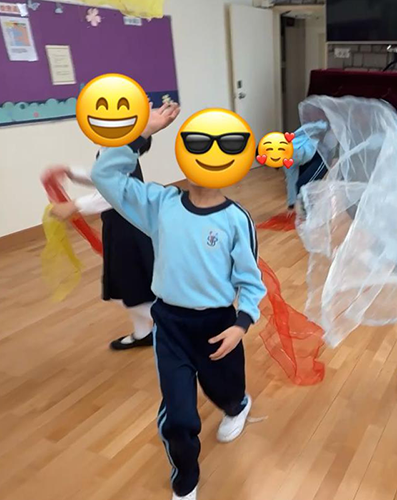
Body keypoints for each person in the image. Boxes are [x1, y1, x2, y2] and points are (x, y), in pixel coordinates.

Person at [91, 103, 266, 500]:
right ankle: (185, 481)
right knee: (179, 414)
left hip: (218, 324)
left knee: (225, 390)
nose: (212, 154)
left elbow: (250, 282)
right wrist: (141, 132)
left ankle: (237, 405)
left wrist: (241, 324)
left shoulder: (236, 220)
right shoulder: (160, 205)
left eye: (228, 145)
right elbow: (105, 176)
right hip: (170, 325)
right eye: (200, 143)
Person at [50, 139, 157, 350]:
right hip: (122, 225)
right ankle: (143, 333)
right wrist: (71, 172)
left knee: (124, 289)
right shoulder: (113, 147)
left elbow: (117, 192)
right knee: (132, 287)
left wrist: (74, 205)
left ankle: (172, 322)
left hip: (129, 228)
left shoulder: (119, 148)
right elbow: (103, 178)